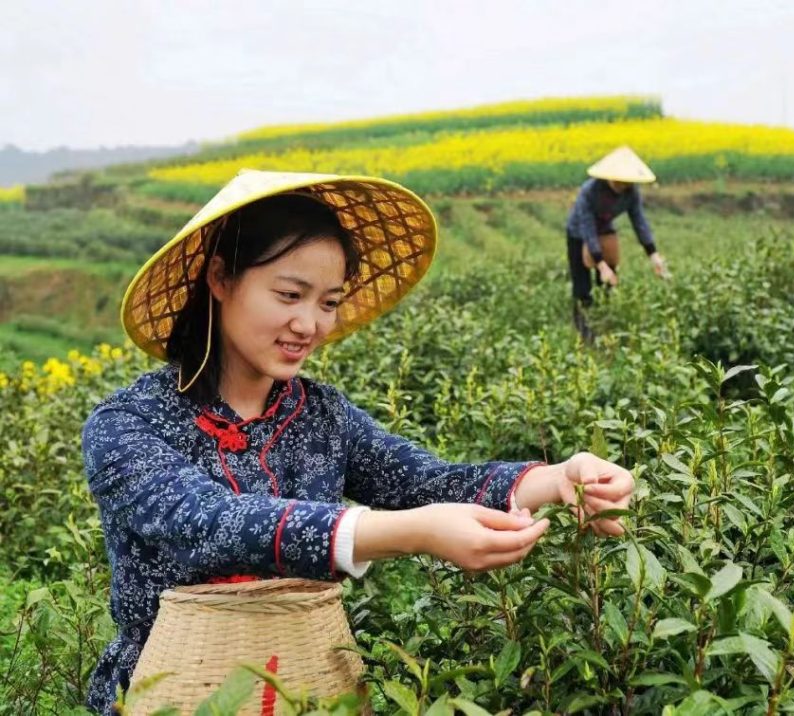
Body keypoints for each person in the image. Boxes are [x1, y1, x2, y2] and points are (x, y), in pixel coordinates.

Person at [82, 170, 635, 713]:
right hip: (170, 693)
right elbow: (210, 523)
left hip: (313, 686)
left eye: (327, 302)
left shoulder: (321, 414)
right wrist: (412, 533)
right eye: (289, 294)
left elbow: (425, 481)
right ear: (222, 279)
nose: (309, 324)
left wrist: (557, 478)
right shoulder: (129, 423)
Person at [565, 146, 668, 340]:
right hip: (579, 232)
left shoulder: (631, 192)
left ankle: (605, 326)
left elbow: (639, 221)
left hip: (605, 229)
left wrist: (653, 254)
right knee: (582, 286)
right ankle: (584, 332)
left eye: (627, 182)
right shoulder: (589, 192)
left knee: (608, 283)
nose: (622, 186)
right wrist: (600, 264)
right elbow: (587, 228)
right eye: (619, 181)